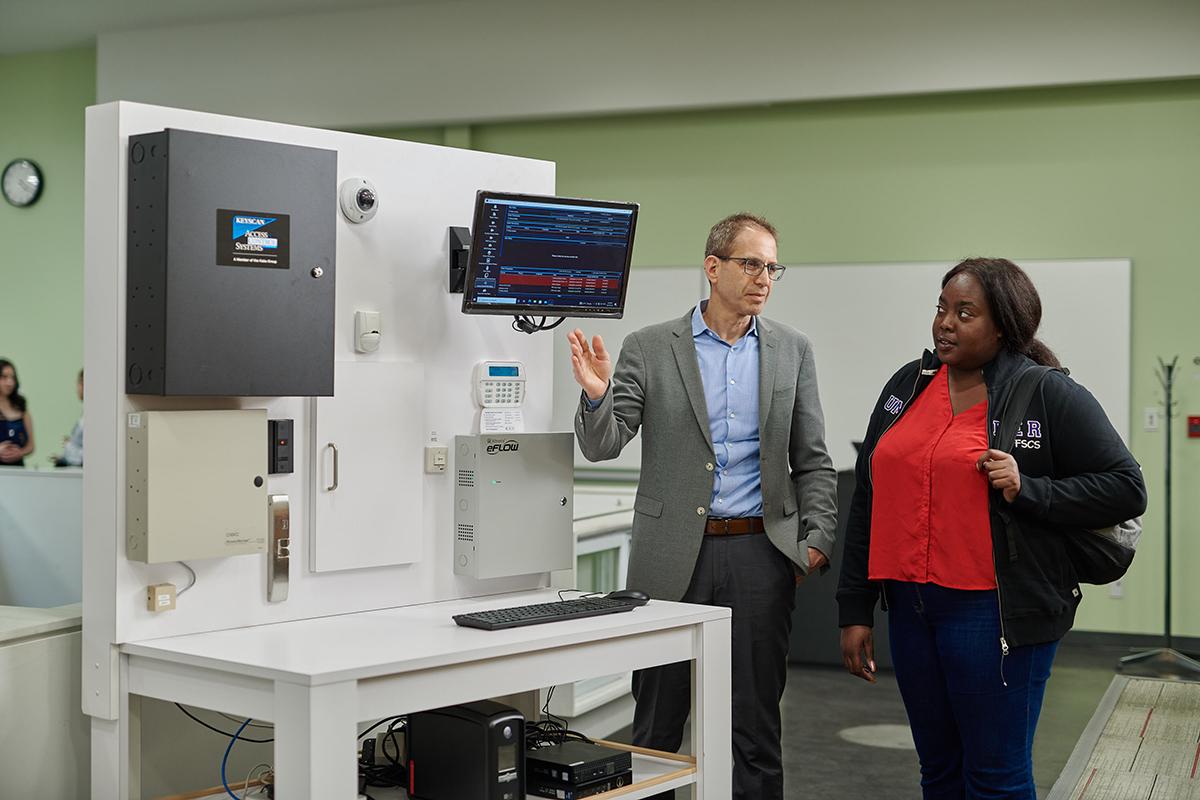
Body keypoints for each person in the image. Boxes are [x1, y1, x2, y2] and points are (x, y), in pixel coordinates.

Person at [836, 258, 1147, 799]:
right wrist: (854, 606)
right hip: (910, 608)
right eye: (941, 308)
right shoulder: (907, 385)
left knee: (996, 779)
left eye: (964, 313)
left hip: (995, 613)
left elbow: (1125, 487)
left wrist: (1031, 488)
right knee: (938, 771)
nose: (945, 323)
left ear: (1002, 325)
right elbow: (868, 496)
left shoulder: (1045, 392)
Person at [570, 212, 838, 800]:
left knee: (755, 727)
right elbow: (605, 443)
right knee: (658, 727)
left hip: (760, 555)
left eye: (772, 267)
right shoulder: (649, 346)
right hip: (670, 562)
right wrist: (596, 396)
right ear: (713, 268)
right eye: (750, 264)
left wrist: (814, 539)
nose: (763, 277)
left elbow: (812, 458)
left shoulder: (792, 351)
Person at [0, 358, 35, 467]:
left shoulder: (21, 406)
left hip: (18, 469)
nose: (10, 382)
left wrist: (20, 453)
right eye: (4, 377)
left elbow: (31, 446)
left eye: (12, 378)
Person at [54, 368, 84, 467]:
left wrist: (69, 446)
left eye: (79, 383)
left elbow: (88, 455)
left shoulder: (93, 417)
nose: (77, 388)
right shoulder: (85, 414)